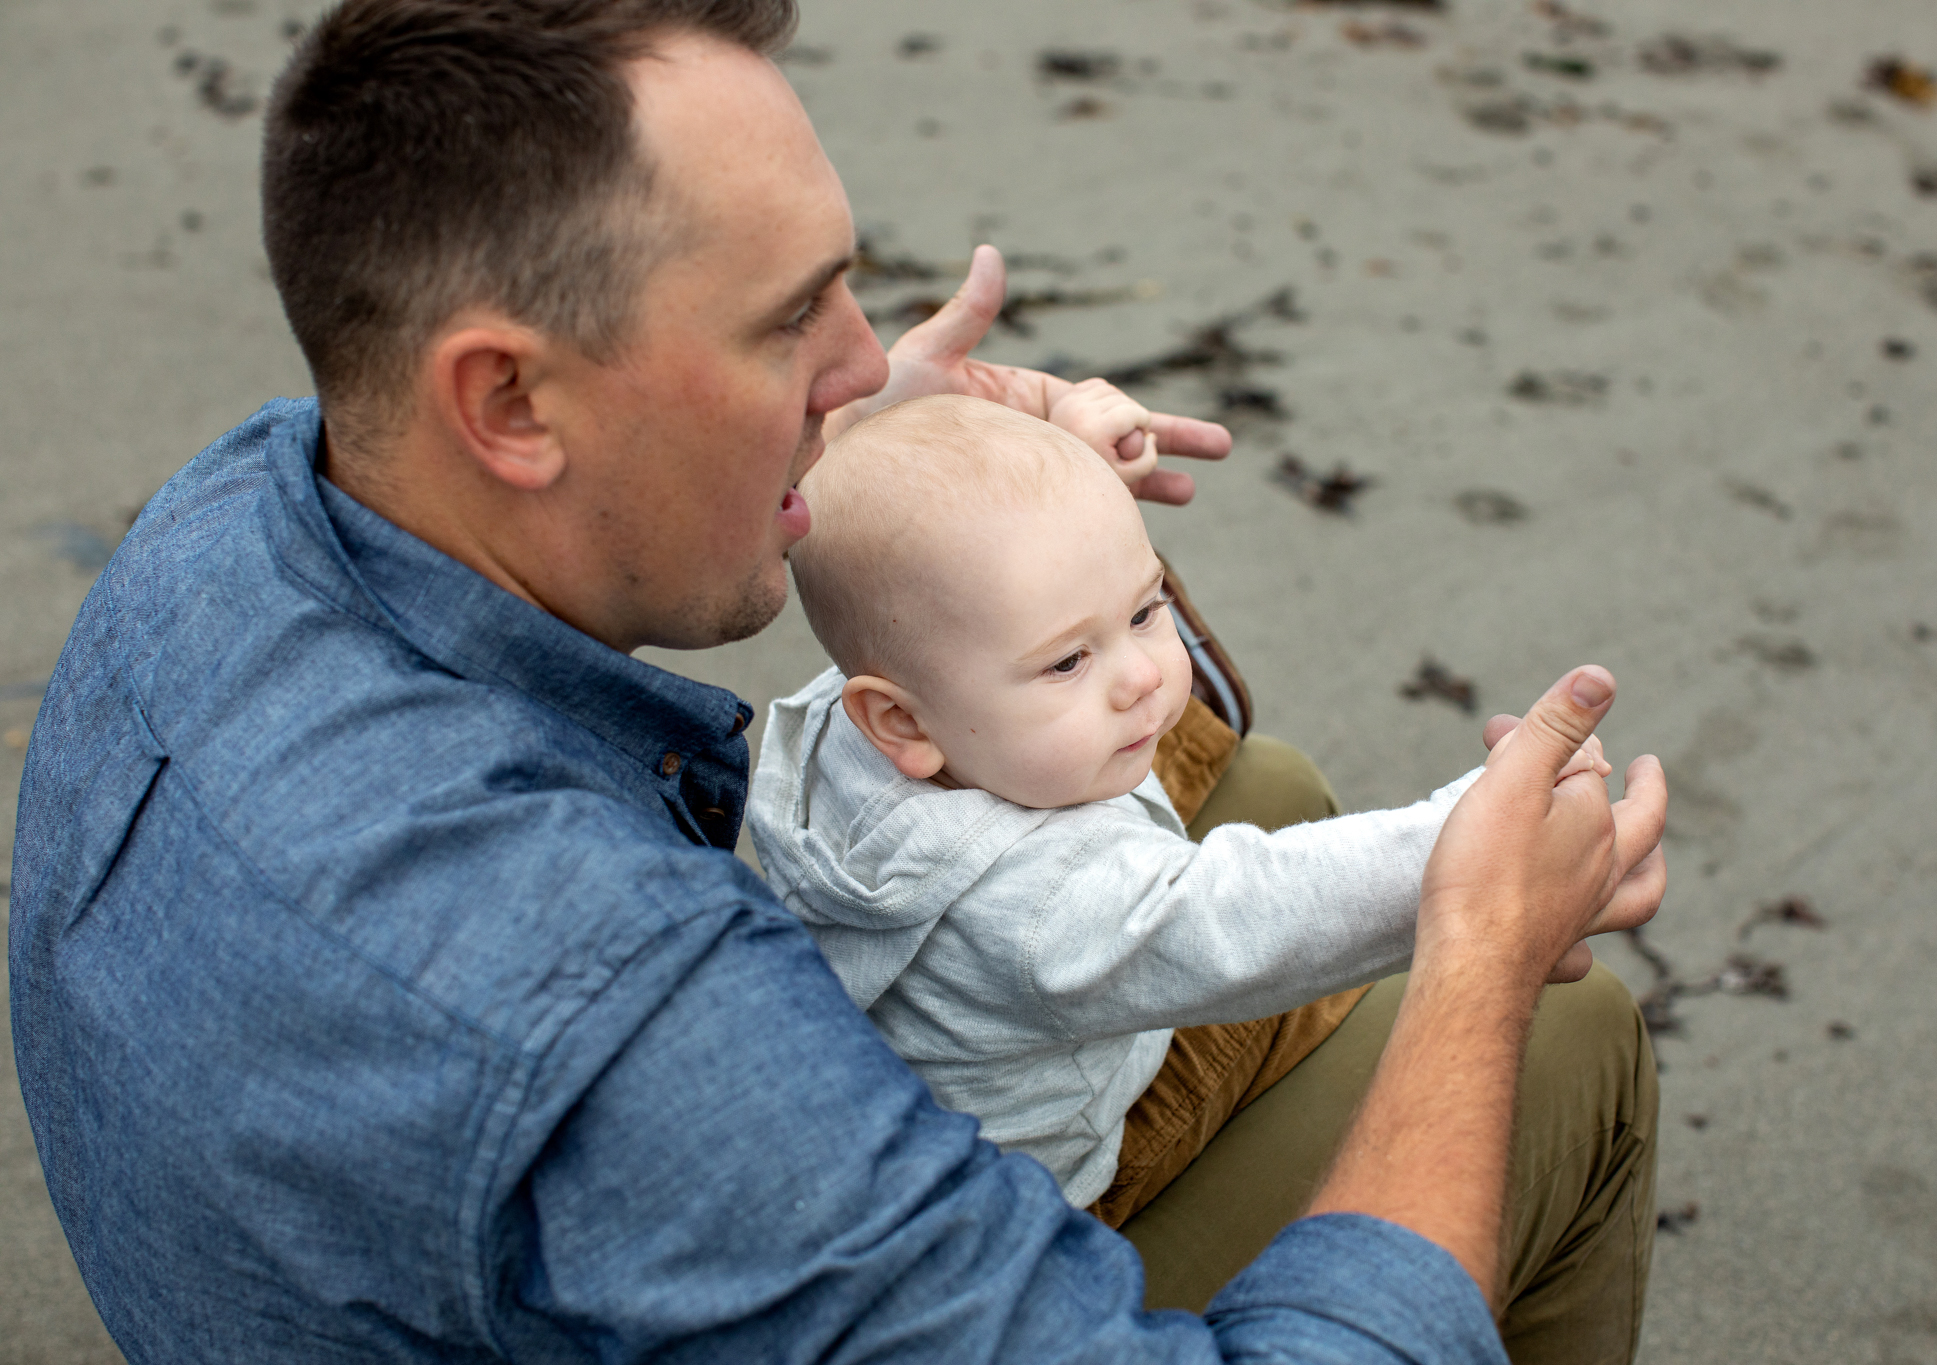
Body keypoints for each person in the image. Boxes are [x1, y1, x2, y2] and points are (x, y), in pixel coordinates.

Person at [7, 3, 1667, 1362]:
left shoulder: (223, 532)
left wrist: (879, 472)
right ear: (509, 404)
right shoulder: (637, 1021)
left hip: (289, 1277)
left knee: (1268, 798)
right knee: (1563, 1028)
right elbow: (641, 1053)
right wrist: (1471, 958)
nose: (865, 365)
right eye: (787, 324)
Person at [749, 392, 1609, 1229]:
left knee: (1230, 766)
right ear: (898, 719)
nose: (1143, 675)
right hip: (1061, 1185)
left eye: (1146, 608)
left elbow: (951, 582)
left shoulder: (840, 722)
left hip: (953, 1085)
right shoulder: (1045, 912)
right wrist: (1479, 826)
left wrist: (1066, 487)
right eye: (1066, 662)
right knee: (1567, 1029)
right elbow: (1247, 914)